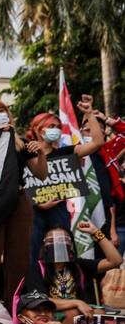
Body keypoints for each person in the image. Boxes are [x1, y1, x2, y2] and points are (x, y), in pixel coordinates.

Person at [0, 98, 45, 305]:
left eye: (1, 110)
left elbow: (40, 174)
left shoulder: (19, 141)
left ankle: (14, 306)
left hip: (18, 201)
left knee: (19, 256)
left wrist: (40, 153)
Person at [26, 103, 102, 271]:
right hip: (33, 215)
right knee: (32, 256)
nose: (57, 130)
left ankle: (65, 290)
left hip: (59, 214)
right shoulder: (26, 154)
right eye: (51, 126)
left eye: (58, 127)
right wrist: (37, 203)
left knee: (64, 255)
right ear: (39, 130)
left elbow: (97, 143)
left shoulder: (65, 153)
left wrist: (89, 114)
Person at [36, 222, 120, 313]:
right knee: (71, 314)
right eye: (51, 241)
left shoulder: (79, 264)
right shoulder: (38, 267)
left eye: (63, 240)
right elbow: (39, 300)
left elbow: (115, 261)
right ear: (44, 245)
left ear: (71, 245)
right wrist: (76, 303)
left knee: (100, 312)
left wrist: (95, 232)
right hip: (50, 313)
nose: (58, 244)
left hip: (80, 312)